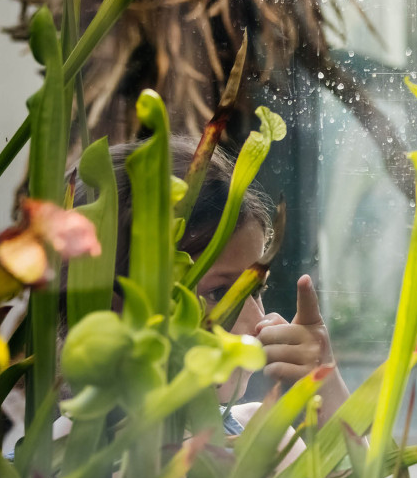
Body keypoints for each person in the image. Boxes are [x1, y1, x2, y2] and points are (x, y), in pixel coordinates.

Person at [68, 136, 348, 428]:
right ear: (114, 306)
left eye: (257, 291)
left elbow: (359, 476)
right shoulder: (46, 469)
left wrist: (325, 389)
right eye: (220, 292)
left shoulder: (256, 434)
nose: (260, 321)